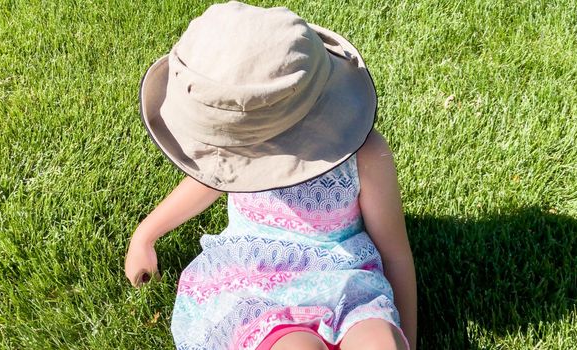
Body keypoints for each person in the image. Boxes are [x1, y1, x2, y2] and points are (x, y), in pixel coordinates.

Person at [125, 1, 417, 349]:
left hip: (346, 281)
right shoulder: (234, 151)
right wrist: (144, 236)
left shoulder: (364, 155)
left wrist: (405, 339)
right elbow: (207, 182)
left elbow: (396, 253)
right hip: (255, 282)